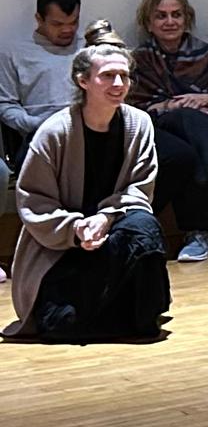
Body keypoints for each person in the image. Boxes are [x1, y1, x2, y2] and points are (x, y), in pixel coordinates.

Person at [4, 22, 168, 342]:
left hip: (114, 232)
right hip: (64, 246)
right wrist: (77, 228)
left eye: (124, 75)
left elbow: (139, 189)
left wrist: (106, 217)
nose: (119, 83)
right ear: (83, 81)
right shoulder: (55, 132)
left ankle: (135, 314)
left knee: (144, 226)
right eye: (107, 76)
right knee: (60, 324)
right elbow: (34, 201)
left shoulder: (140, 125)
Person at [127, 0, 208, 262]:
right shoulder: (139, 59)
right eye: (161, 16)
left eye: (176, 14)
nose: (170, 21)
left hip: (203, 128)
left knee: (195, 143)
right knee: (187, 117)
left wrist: (203, 98)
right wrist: (168, 105)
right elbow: (133, 108)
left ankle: (198, 236)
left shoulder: (205, 54)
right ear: (148, 23)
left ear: (187, 18)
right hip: (159, 128)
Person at [1, 0, 85, 214]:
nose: (67, 30)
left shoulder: (89, 47)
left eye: (73, 22)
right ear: (39, 19)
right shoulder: (14, 51)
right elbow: (6, 105)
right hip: (40, 132)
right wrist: (37, 125)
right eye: (57, 24)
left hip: (86, 129)